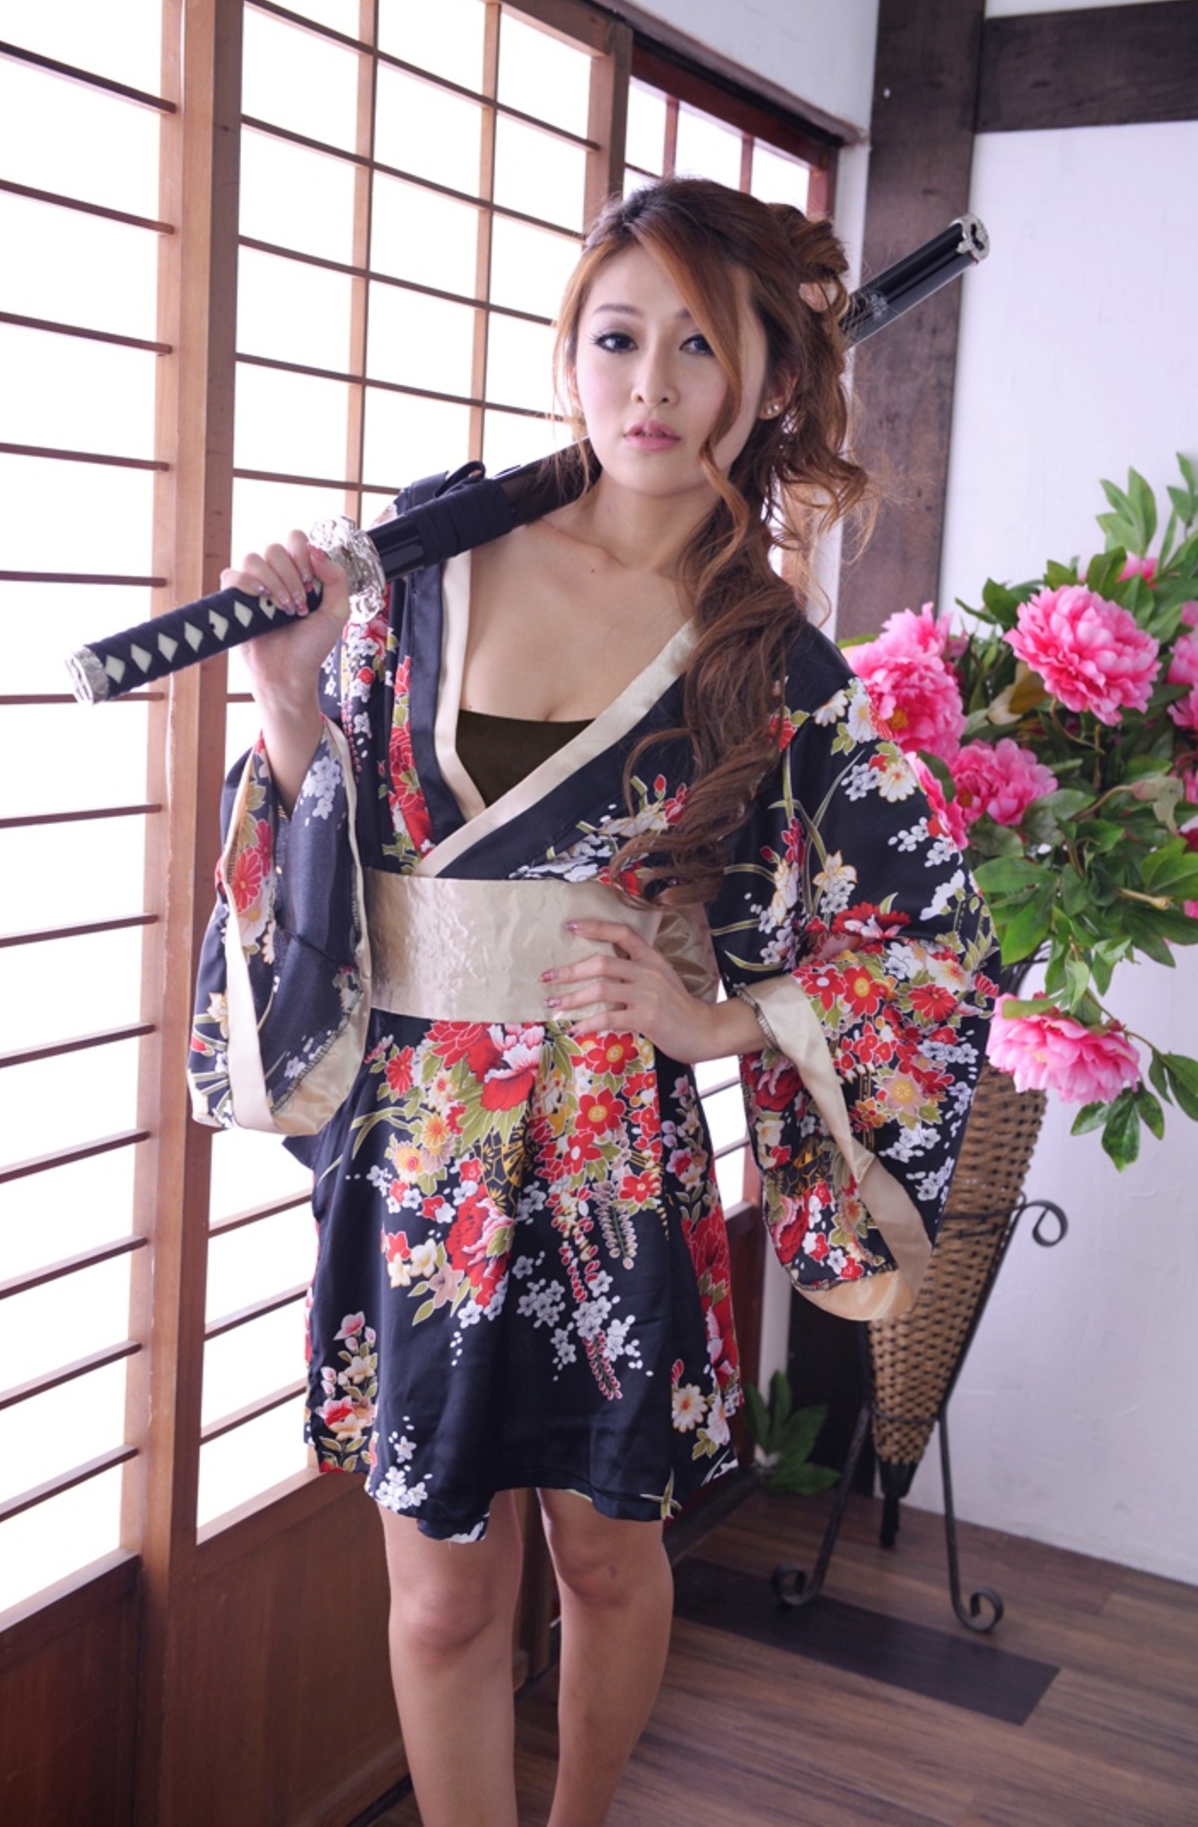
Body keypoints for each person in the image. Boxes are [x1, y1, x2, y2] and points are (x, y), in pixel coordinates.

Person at [189, 176, 998, 1826]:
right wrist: (286, 695)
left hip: (613, 1139)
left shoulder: (766, 654)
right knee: (440, 1592)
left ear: (772, 381)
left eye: (701, 346)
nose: (651, 384)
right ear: (570, 357)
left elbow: (927, 920)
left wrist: (727, 1023)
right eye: (617, 338)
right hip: (424, 1145)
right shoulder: (431, 567)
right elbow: (337, 840)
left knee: (610, 1561)